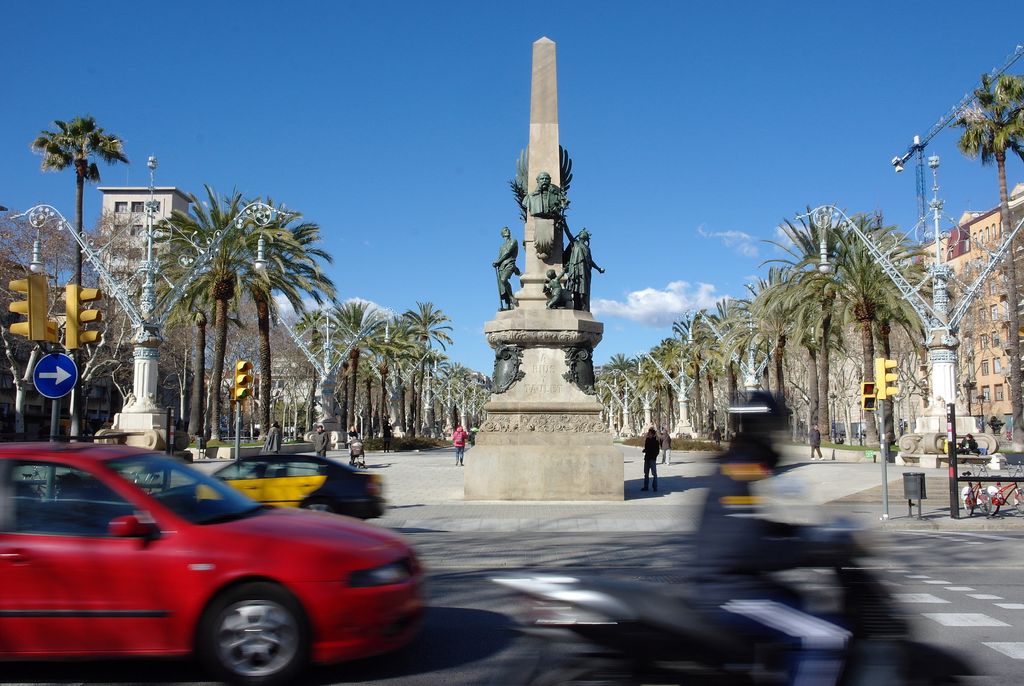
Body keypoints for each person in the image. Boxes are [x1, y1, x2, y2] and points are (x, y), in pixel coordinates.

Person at [691, 391, 850, 685]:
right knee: (826, 635)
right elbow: (745, 544)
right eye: (777, 428)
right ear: (765, 428)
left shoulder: (741, 466)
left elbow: (750, 525)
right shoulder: (739, 469)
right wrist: (809, 551)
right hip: (733, 594)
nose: (780, 437)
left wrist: (797, 531)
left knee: (803, 605)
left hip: (734, 586)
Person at [563, 228, 605, 311]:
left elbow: (590, 261)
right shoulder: (575, 243)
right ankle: (577, 307)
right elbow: (568, 233)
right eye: (582, 233)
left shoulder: (587, 249)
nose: (582, 234)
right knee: (576, 290)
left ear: (586, 238)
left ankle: (584, 308)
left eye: (584, 233)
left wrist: (598, 268)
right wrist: (564, 222)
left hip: (585, 271)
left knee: (583, 292)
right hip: (576, 271)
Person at [493, 226, 520, 311]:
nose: (507, 231)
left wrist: (498, 261)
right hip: (501, 266)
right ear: (502, 234)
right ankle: (508, 306)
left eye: (508, 230)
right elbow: (500, 256)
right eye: (505, 230)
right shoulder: (501, 246)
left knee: (504, 279)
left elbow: (507, 253)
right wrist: (496, 262)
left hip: (510, 264)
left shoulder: (513, 241)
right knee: (502, 288)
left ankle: (512, 297)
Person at [641, 427, 659, 492]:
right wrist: (644, 450)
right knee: (646, 473)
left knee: (654, 473)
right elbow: (646, 448)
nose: (649, 434)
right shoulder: (647, 440)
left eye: (650, 433)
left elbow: (657, 451)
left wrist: (654, 457)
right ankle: (646, 486)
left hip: (652, 459)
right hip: (647, 458)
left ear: (653, 434)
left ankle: (655, 486)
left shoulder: (656, 441)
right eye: (649, 433)